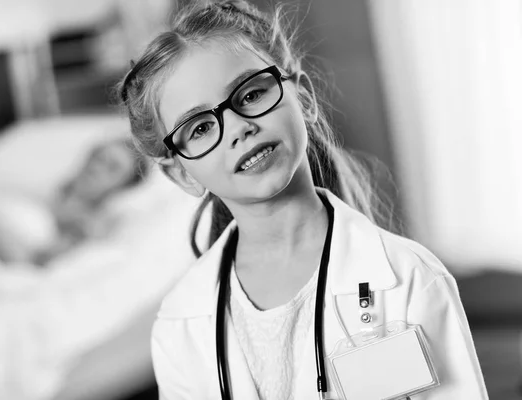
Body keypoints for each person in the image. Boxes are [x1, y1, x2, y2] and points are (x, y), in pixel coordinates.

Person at [117, 1, 488, 399]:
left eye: (251, 93)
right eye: (201, 127)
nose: (239, 128)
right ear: (181, 174)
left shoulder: (407, 278)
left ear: (304, 97)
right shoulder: (180, 323)